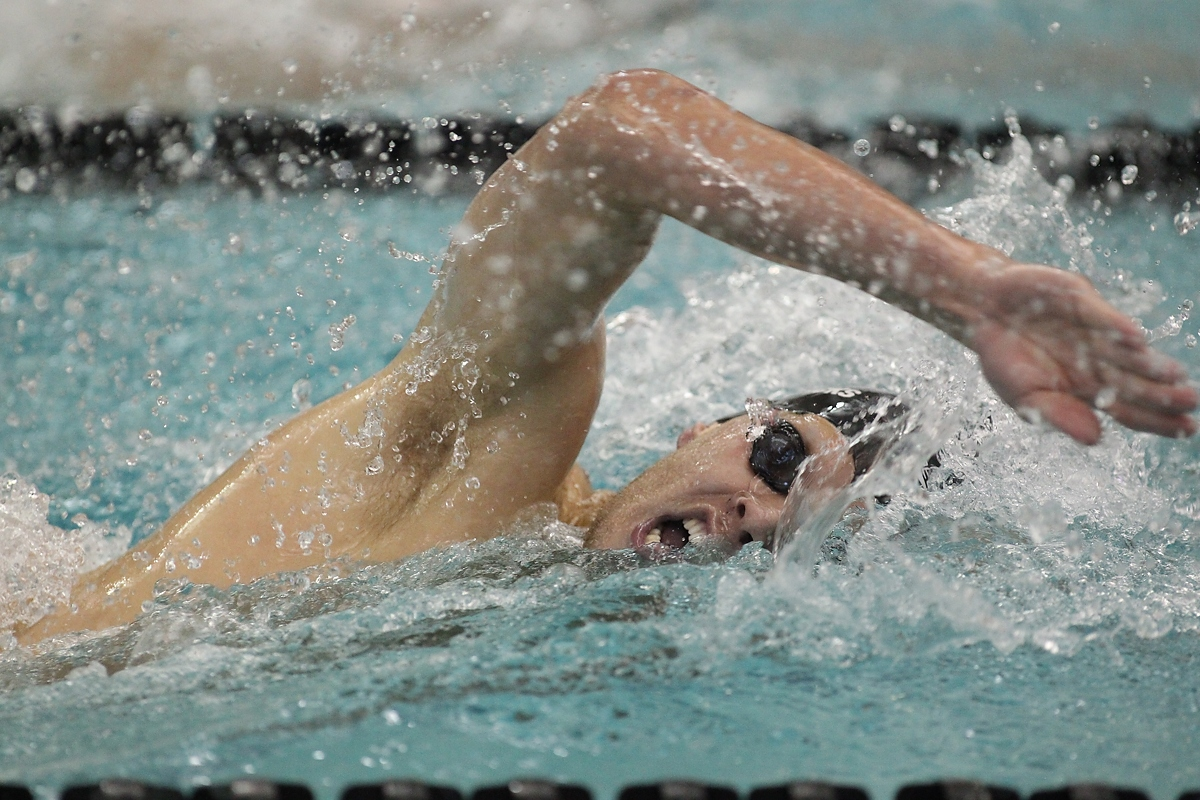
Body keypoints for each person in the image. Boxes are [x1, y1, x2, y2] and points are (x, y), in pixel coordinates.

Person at [17, 69, 1196, 644]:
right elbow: (618, 135)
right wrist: (957, 285)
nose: (749, 513)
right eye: (779, 455)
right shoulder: (496, 446)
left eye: (784, 536)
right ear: (708, 423)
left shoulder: (539, 613)